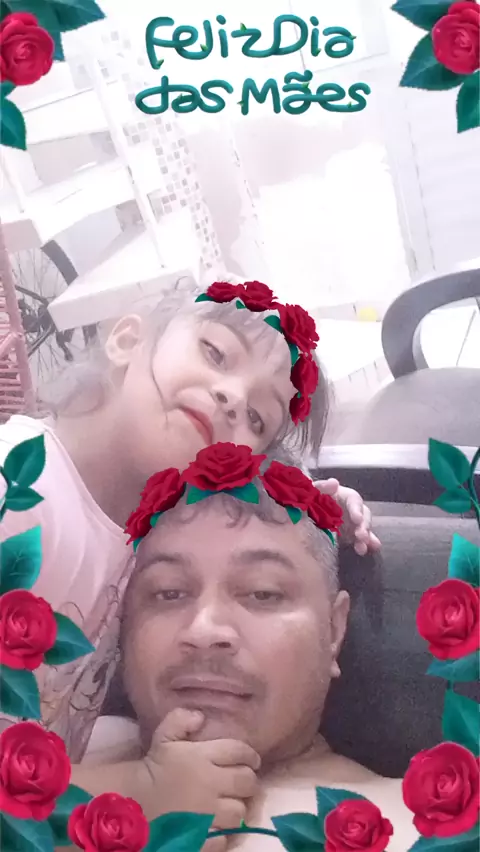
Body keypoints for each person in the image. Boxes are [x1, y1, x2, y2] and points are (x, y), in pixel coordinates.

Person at [0, 281, 379, 764]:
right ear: (127, 340)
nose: (233, 397)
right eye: (215, 353)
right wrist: (142, 785)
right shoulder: (18, 490)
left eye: (257, 418)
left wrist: (313, 507)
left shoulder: (143, 526)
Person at [81, 448, 416, 852]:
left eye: (262, 593)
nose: (204, 630)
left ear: (334, 629)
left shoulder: (415, 826)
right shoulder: (63, 749)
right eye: (168, 592)